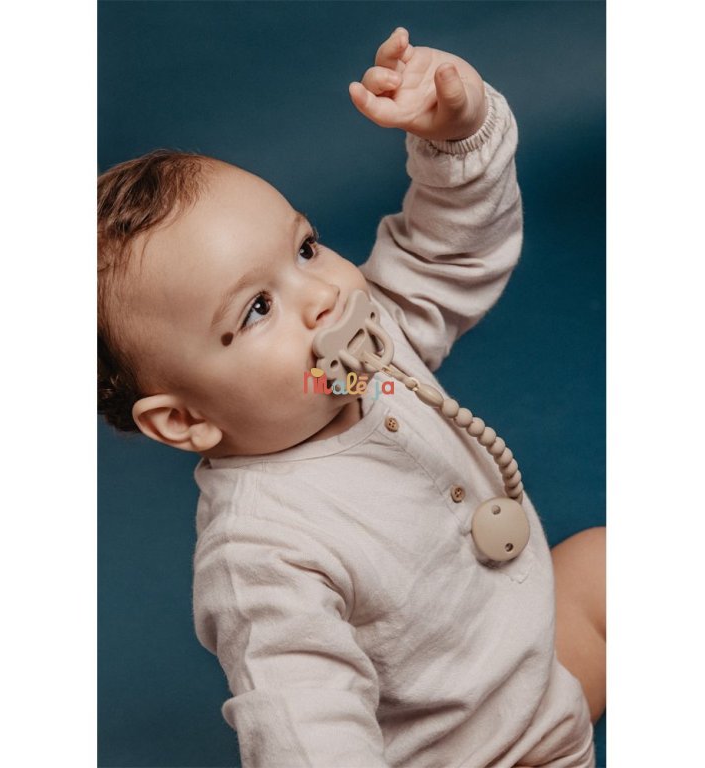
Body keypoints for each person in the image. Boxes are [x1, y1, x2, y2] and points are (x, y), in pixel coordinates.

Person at [98, 27, 605, 767]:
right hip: (470, 751)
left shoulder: (366, 354)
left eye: (304, 248)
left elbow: (445, 253)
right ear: (184, 418)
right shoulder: (263, 554)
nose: (324, 297)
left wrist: (457, 138)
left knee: (604, 565)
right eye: (258, 309)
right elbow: (304, 727)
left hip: (521, 667)